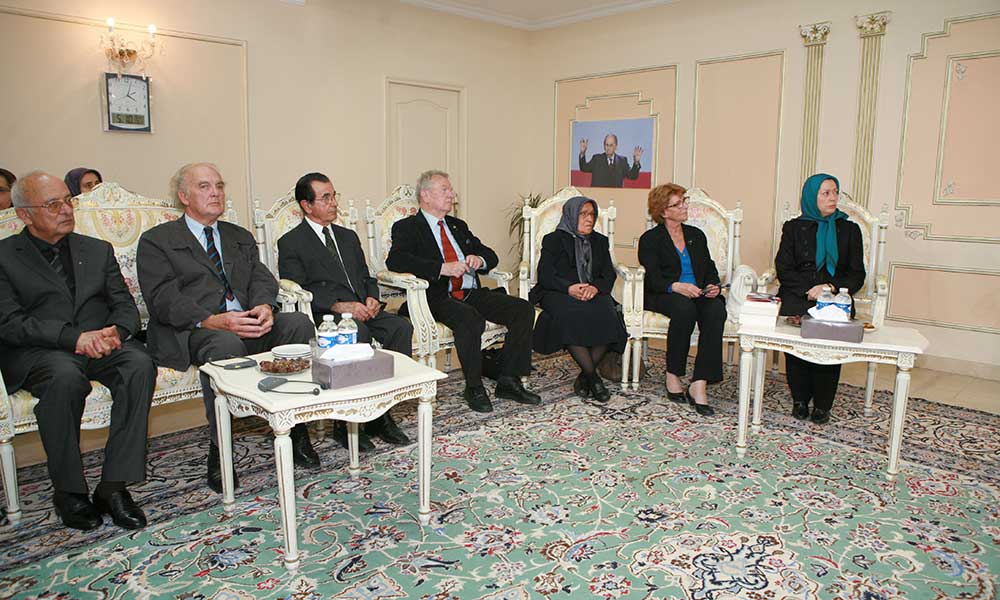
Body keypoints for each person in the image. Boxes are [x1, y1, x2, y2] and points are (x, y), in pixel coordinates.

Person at [137, 163, 319, 493]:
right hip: (196, 329)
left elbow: (263, 278)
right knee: (224, 345)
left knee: (298, 323)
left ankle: (296, 427)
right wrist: (211, 319)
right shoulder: (158, 241)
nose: (215, 192)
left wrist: (264, 306)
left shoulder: (238, 236)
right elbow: (161, 298)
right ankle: (219, 448)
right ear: (183, 196)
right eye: (204, 186)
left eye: (219, 185)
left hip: (248, 322)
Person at [0, 172, 155, 531]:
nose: (65, 210)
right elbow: (10, 322)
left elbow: (125, 305)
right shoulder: (5, 256)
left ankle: (113, 486)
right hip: (40, 351)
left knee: (138, 363)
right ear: (24, 214)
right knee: (65, 377)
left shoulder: (95, 249)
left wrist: (117, 331)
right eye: (52, 204)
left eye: (67, 201)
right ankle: (69, 491)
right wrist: (74, 338)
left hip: (100, 344)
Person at [386, 170, 541, 413]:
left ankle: (508, 380)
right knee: (469, 318)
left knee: (522, 309)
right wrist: (441, 268)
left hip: (469, 292)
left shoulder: (458, 226)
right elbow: (396, 261)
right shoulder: (407, 227)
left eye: (451, 189)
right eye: (445, 189)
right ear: (425, 196)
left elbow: (491, 255)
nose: (452, 194)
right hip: (436, 296)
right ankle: (474, 386)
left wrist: (479, 259)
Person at [278, 172, 412, 451]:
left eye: (334, 195)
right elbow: (297, 287)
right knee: (358, 333)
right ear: (306, 205)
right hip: (328, 315)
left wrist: (371, 298)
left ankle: (382, 414)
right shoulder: (291, 242)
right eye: (325, 198)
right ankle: (347, 422)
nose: (333, 202)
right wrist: (338, 305)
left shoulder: (348, 236)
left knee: (401, 328)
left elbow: (366, 276)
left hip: (363, 308)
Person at [775, 173, 866, 424]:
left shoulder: (849, 229)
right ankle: (800, 399)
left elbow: (857, 273)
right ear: (811, 197)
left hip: (836, 296)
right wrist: (810, 289)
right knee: (797, 344)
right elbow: (784, 268)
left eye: (835, 192)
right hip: (799, 293)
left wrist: (829, 287)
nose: (833, 197)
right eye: (826, 193)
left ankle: (823, 404)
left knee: (829, 343)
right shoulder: (793, 228)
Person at [638, 183, 726, 416]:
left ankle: (700, 382)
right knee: (684, 308)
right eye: (678, 204)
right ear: (663, 211)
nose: (685, 205)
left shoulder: (696, 235)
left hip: (698, 291)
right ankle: (673, 373)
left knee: (716, 310)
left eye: (684, 200)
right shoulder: (650, 239)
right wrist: (676, 286)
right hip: (664, 293)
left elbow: (708, 267)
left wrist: (711, 285)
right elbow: (653, 278)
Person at [529, 196, 627, 402]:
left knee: (609, 314)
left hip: (592, 291)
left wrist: (595, 288)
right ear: (571, 215)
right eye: (583, 214)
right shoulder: (553, 240)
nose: (589, 219)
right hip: (558, 292)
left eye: (592, 214)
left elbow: (608, 274)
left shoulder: (600, 241)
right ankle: (594, 378)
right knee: (569, 316)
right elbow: (546, 275)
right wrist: (569, 288)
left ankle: (584, 376)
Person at [578, 134, 642, 188]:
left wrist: (636, 162)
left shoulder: (622, 161)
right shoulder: (596, 159)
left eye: (611, 145)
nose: (608, 148)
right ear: (604, 146)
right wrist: (582, 153)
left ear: (616, 147)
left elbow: (633, 176)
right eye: (606, 145)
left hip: (616, 197)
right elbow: (584, 168)